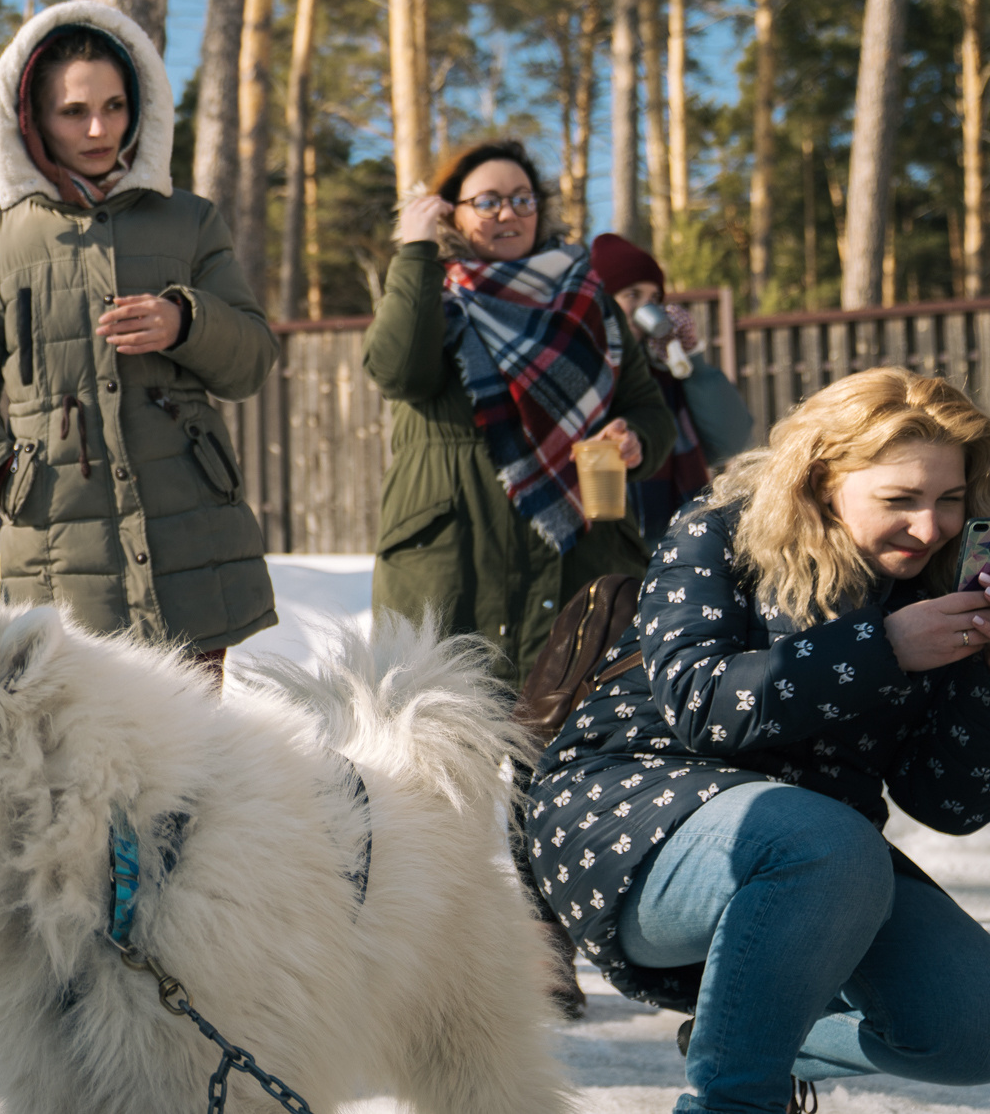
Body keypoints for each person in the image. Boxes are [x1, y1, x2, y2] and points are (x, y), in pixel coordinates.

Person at [526, 368, 990, 1112]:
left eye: (950, 499)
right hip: (631, 815)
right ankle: (732, 1099)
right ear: (821, 481)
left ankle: (747, 1033)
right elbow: (703, 702)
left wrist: (982, 665)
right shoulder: (722, 530)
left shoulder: (935, 582)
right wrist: (883, 645)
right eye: (900, 499)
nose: (930, 527)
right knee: (827, 844)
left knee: (971, 1027)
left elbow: (947, 801)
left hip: (825, 862)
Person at [0, 1, 278, 675]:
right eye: (74, 111)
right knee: (78, 761)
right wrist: (1, 471)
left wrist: (185, 323)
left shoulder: (188, 221)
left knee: (189, 764)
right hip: (58, 543)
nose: (99, 128)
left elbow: (251, 358)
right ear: (32, 116)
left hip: (189, 536)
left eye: (116, 105)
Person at [364, 139, 676, 679]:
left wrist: (637, 439)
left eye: (522, 199)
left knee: (572, 739)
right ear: (450, 213)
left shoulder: (591, 299)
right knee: (444, 745)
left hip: (583, 556)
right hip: (455, 561)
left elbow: (648, 408)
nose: (507, 213)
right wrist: (417, 253)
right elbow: (398, 372)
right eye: (487, 201)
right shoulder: (429, 295)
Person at [589, 232, 753, 539]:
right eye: (632, 295)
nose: (646, 308)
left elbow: (732, 440)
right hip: (610, 542)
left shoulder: (664, 375)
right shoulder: (584, 371)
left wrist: (692, 360)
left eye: (654, 299)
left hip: (673, 546)